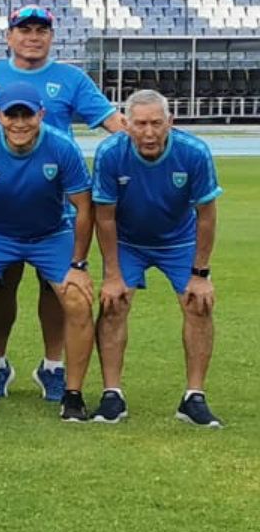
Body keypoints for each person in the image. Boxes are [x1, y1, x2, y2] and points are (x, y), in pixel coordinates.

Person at [0, 4, 122, 402]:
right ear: (9, 36)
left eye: (41, 30)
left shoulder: (71, 78)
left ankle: (53, 366)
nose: (33, 36)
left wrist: (146, 139)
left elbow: (112, 122)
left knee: (57, 291)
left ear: (52, 36)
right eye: (24, 29)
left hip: (54, 210)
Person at [0, 81, 97, 423]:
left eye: (27, 114)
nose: (19, 122)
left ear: (41, 115)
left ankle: (72, 393)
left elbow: (84, 207)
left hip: (51, 233)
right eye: (11, 115)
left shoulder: (62, 148)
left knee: (77, 299)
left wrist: (78, 264)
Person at [92, 90, 224, 428]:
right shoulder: (109, 154)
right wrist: (111, 274)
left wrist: (200, 273)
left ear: (170, 123)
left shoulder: (194, 152)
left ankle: (194, 397)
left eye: (156, 123)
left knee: (198, 304)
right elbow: (104, 217)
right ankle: (112, 395)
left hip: (179, 241)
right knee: (114, 303)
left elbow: (206, 215)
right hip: (127, 240)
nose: (148, 133)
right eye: (140, 124)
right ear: (126, 124)